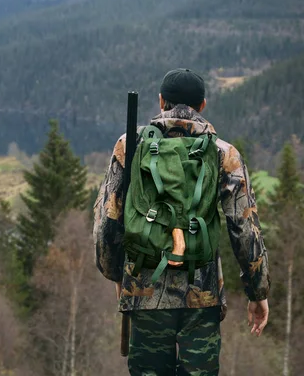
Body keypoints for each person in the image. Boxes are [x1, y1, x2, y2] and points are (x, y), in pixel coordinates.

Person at [93, 68, 271, 375]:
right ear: (202, 105)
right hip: (202, 299)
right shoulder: (224, 153)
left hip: (144, 293)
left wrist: (117, 276)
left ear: (161, 101)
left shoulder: (130, 146)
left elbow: (107, 222)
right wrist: (258, 293)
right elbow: (245, 231)